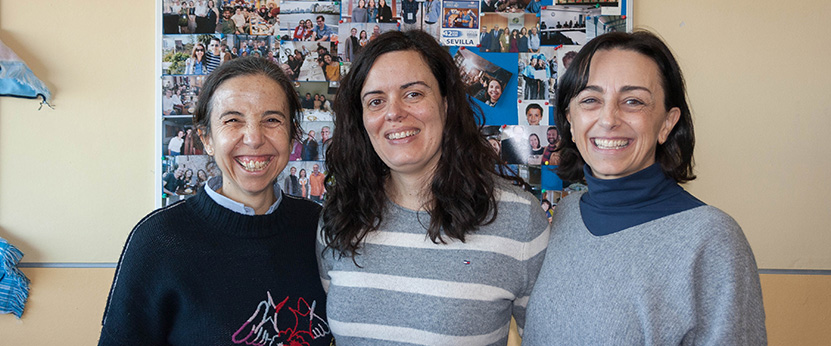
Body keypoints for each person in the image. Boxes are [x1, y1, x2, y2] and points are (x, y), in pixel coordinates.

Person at [523, 31, 767, 344]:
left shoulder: (712, 240)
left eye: (633, 101)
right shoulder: (566, 214)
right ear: (570, 120)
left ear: (667, 123)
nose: (608, 119)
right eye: (590, 100)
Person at [319, 30, 549, 345]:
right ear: (361, 120)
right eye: (376, 101)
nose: (394, 112)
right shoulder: (340, 216)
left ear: (446, 103)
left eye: (413, 94)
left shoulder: (519, 220)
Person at [99, 57, 333, 345]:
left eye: (272, 120)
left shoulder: (319, 228)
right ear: (206, 138)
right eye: (233, 120)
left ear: (292, 134)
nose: (254, 138)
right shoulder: (159, 240)